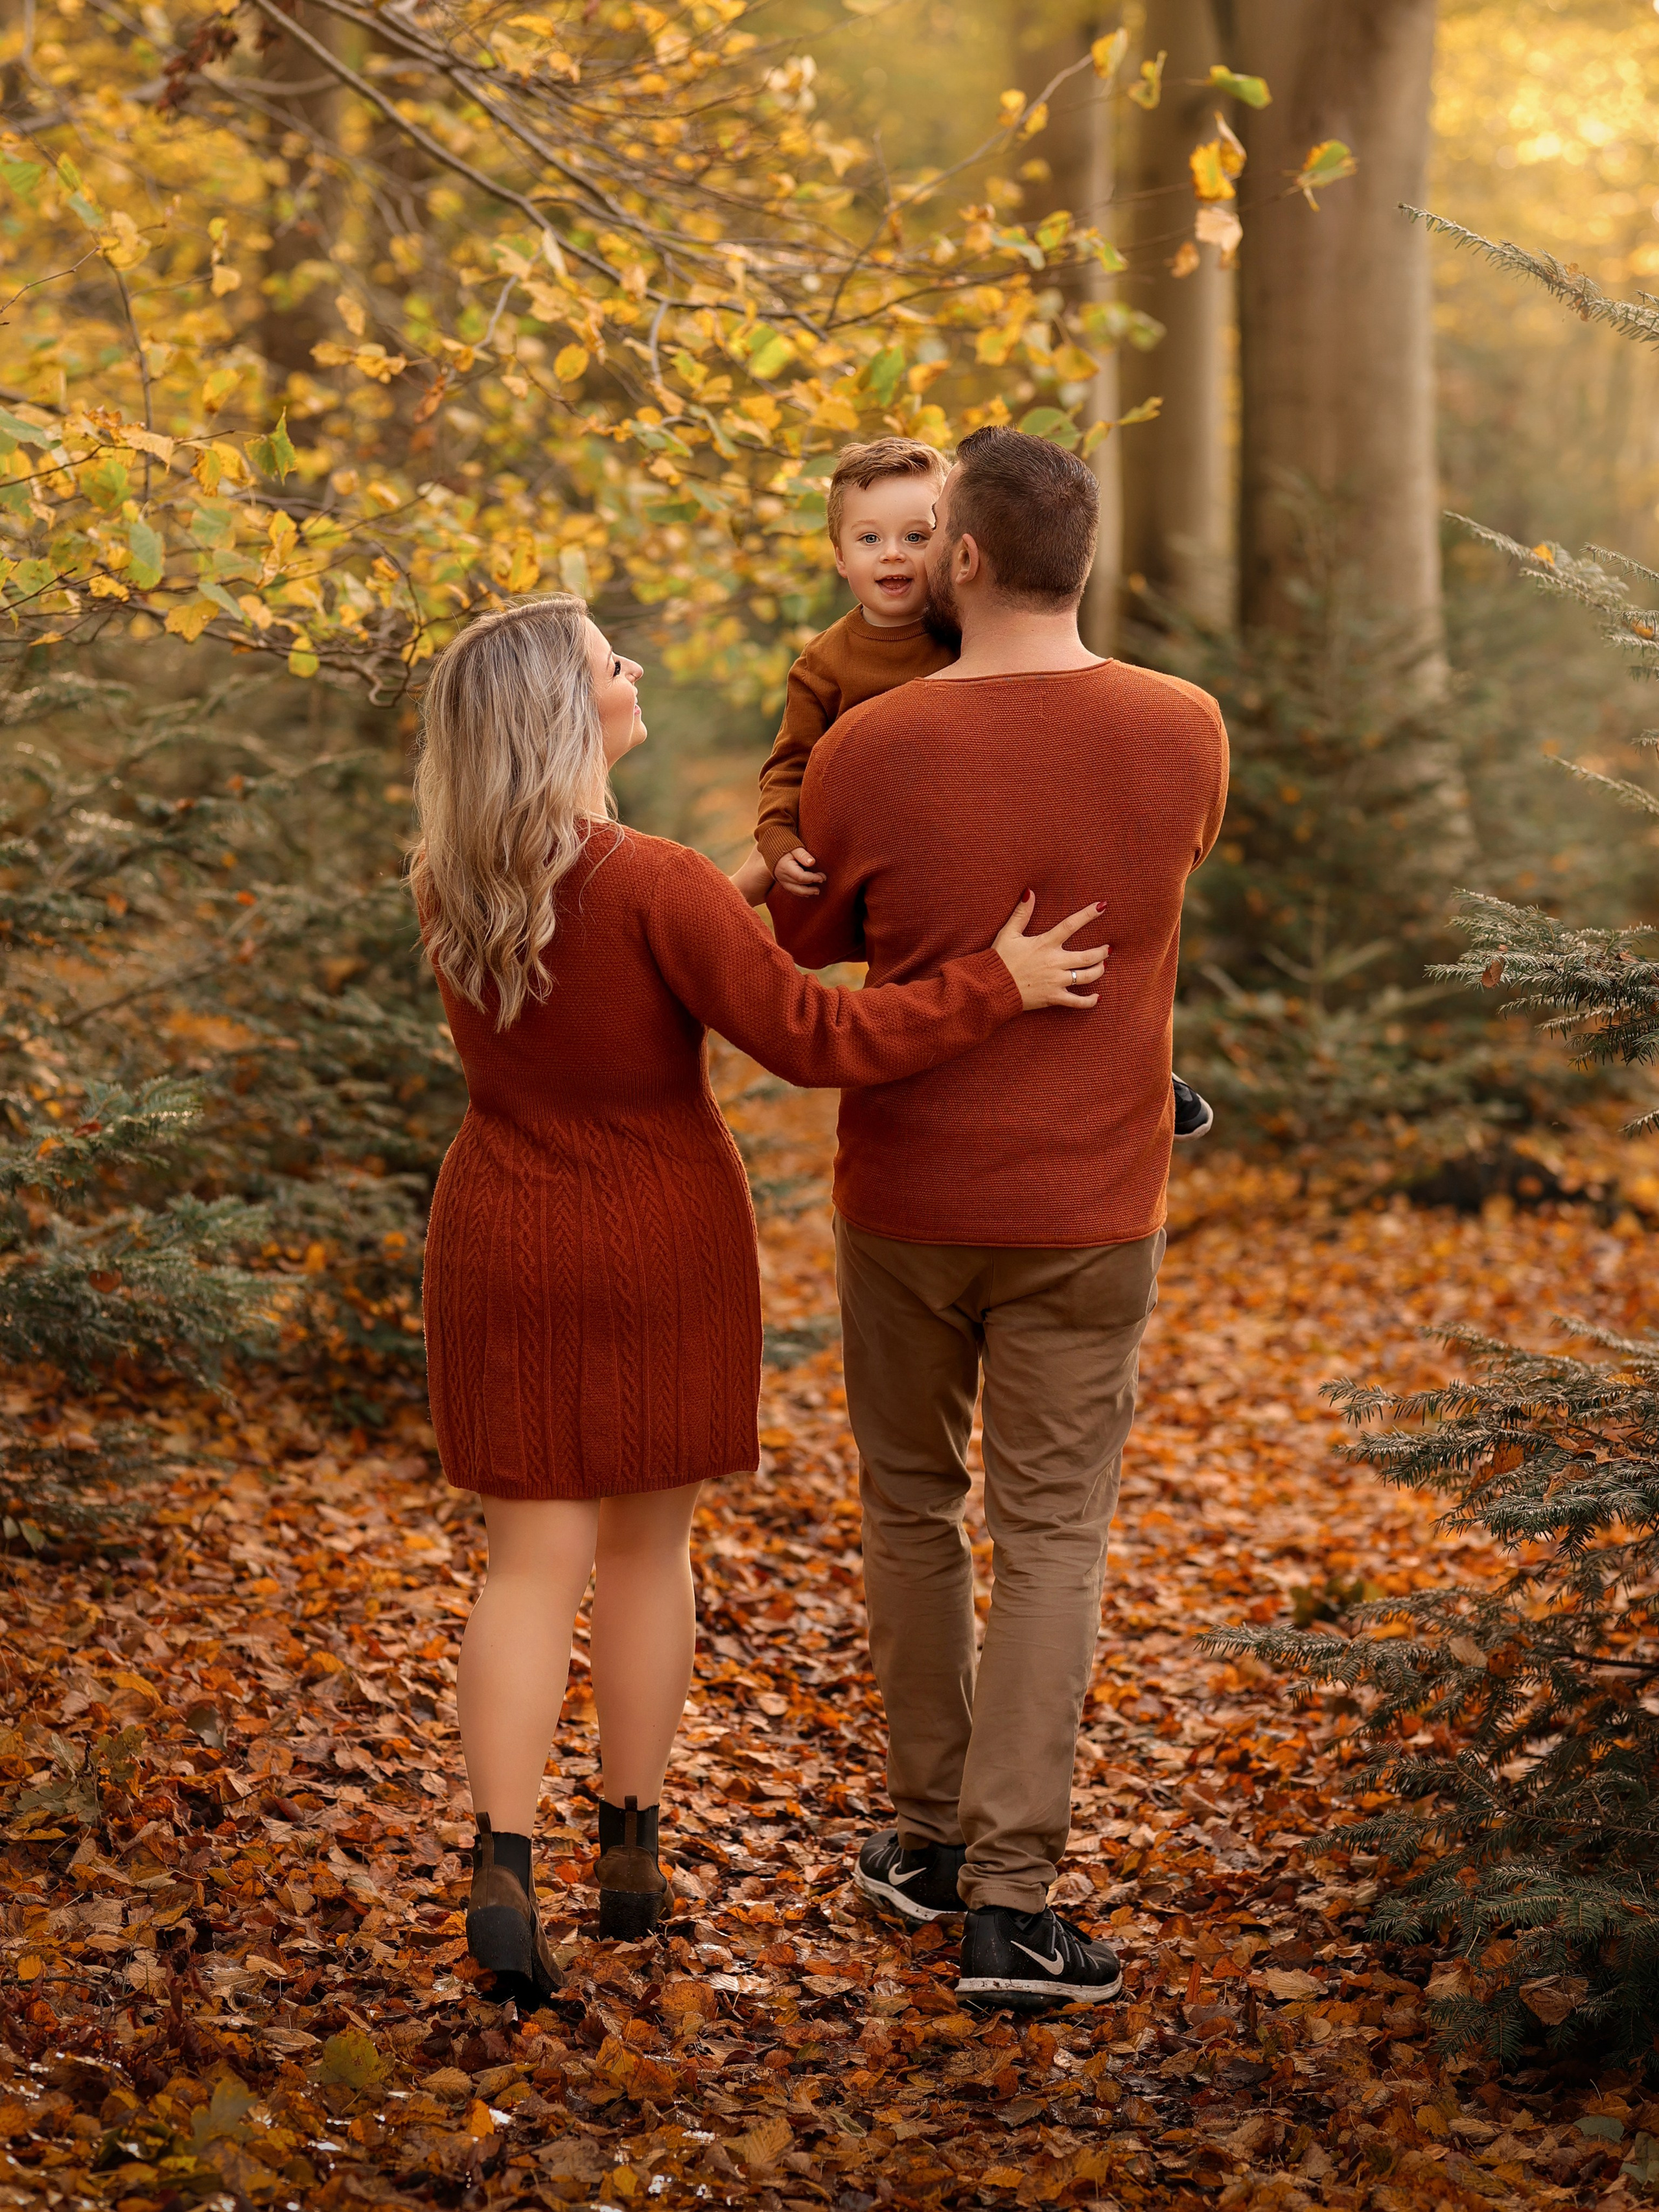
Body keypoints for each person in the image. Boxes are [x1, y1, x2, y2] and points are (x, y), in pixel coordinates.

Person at [407, 592, 1111, 2008]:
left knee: (524, 1564)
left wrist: (741, 881)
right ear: (567, 709)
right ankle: (631, 1853)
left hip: (499, 1227)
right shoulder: (656, 880)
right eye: (614, 661)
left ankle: (500, 1864)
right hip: (656, 1230)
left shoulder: (455, 875)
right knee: (648, 1552)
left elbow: (617, 927)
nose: (637, 667)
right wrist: (999, 979)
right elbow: (813, 1034)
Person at [768, 427, 1229, 2012]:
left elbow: (808, 926)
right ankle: (1011, 1905)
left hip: (904, 1191)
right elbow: (1157, 890)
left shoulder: (868, 746)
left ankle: (922, 1838)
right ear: (1080, 559)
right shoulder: (1181, 730)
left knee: (909, 1506)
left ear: (958, 560)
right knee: (1048, 1536)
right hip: (1088, 1202)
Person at [732, 436, 1214, 1142]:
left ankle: (1152, 1072)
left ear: (957, 554)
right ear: (840, 555)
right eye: (870, 538)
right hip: (902, 895)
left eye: (918, 534)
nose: (895, 554)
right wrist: (777, 846)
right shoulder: (829, 671)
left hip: (923, 1148)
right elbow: (789, 767)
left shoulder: (955, 637)